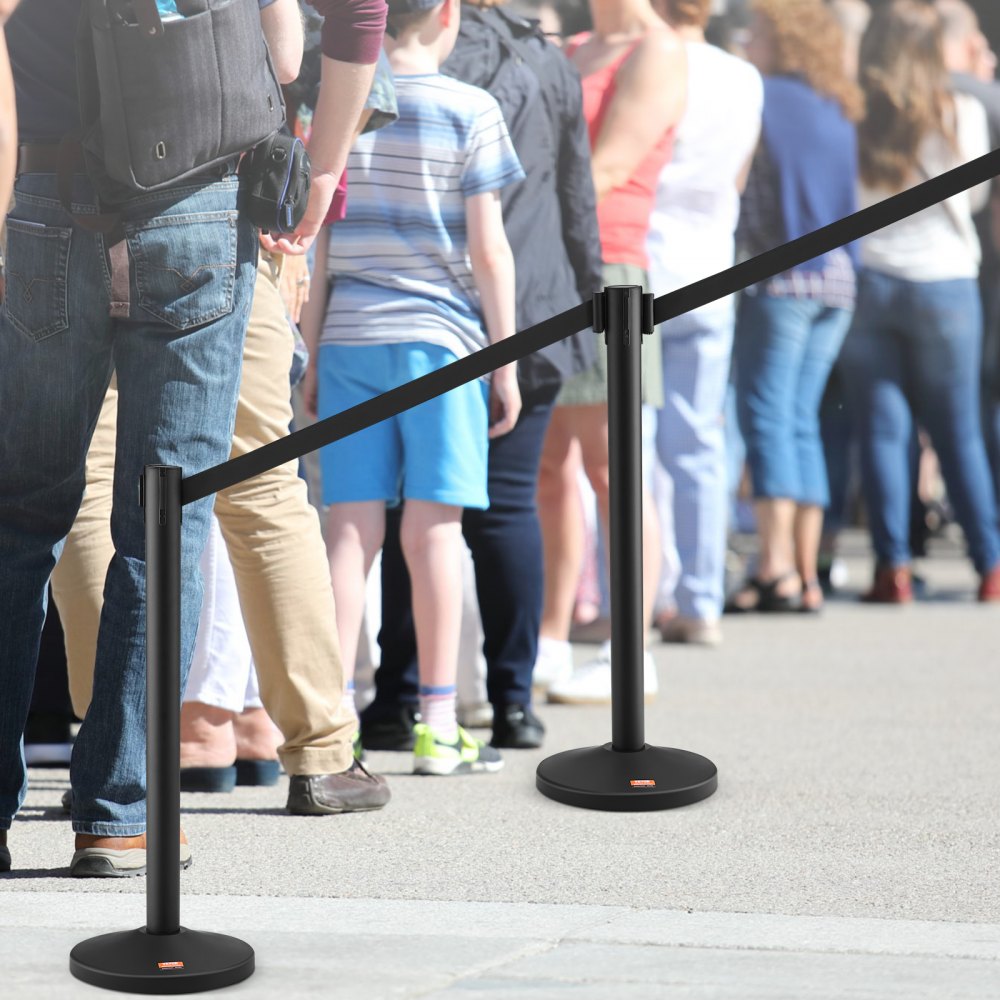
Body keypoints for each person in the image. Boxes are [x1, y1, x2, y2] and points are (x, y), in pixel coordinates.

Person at [0, 0, 387, 877]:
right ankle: (121, 814)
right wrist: (319, 171)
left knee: (23, 520)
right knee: (167, 521)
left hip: (47, 195)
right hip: (200, 203)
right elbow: (288, 55)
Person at [359, 0, 603, 753]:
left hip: (440, 314)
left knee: (412, 510)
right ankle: (513, 699)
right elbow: (576, 197)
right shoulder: (549, 59)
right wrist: (589, 311)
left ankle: (397, 699)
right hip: (537, 309)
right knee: (506, 512)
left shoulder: (436, 58)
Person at [302, 0, 525, 775]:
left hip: (349, 336)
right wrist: (507, 358)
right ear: (448, 16)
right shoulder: (473, 108)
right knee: (434, 531)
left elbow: (320, 239)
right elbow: (491, 251)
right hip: (443, 344)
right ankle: (437, 719)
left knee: (348, 531)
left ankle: (329, 722)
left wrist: (311, 348)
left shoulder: (346, 103)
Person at [538, 0, 687, 706]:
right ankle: (550, 639)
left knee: (612, 467)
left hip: (610, 271)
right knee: (547, 467)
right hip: (551, 268)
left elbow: (608, 169)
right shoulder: (574, 46)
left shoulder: (657, 50)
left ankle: (633, 650)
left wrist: (515, 219)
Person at [839, 0, 1000, 604]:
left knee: (883, 429)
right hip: (947, 280)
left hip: (873, 278)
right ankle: (990, 566)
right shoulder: (959, 110)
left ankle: (893, 569)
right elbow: (978, 201)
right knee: (959, 428)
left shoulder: (855, 111)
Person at [726, 0, 862, 616]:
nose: (749, 41)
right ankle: (806, 570)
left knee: (768, 419)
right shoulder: (838, 105)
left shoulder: (764, 100)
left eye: (757, 33)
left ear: (780, 40)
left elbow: (749, 198)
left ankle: (775, 565)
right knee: (802, 420)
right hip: (838, 280)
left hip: (781, 278)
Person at [646, 0, 762, 647]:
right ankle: (701, 598)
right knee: (699, 443)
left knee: (636, 444)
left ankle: (643, 593)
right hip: (712, 263)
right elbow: (737, 177)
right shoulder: (743, 75)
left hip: (649, 261)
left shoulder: (654, 61)